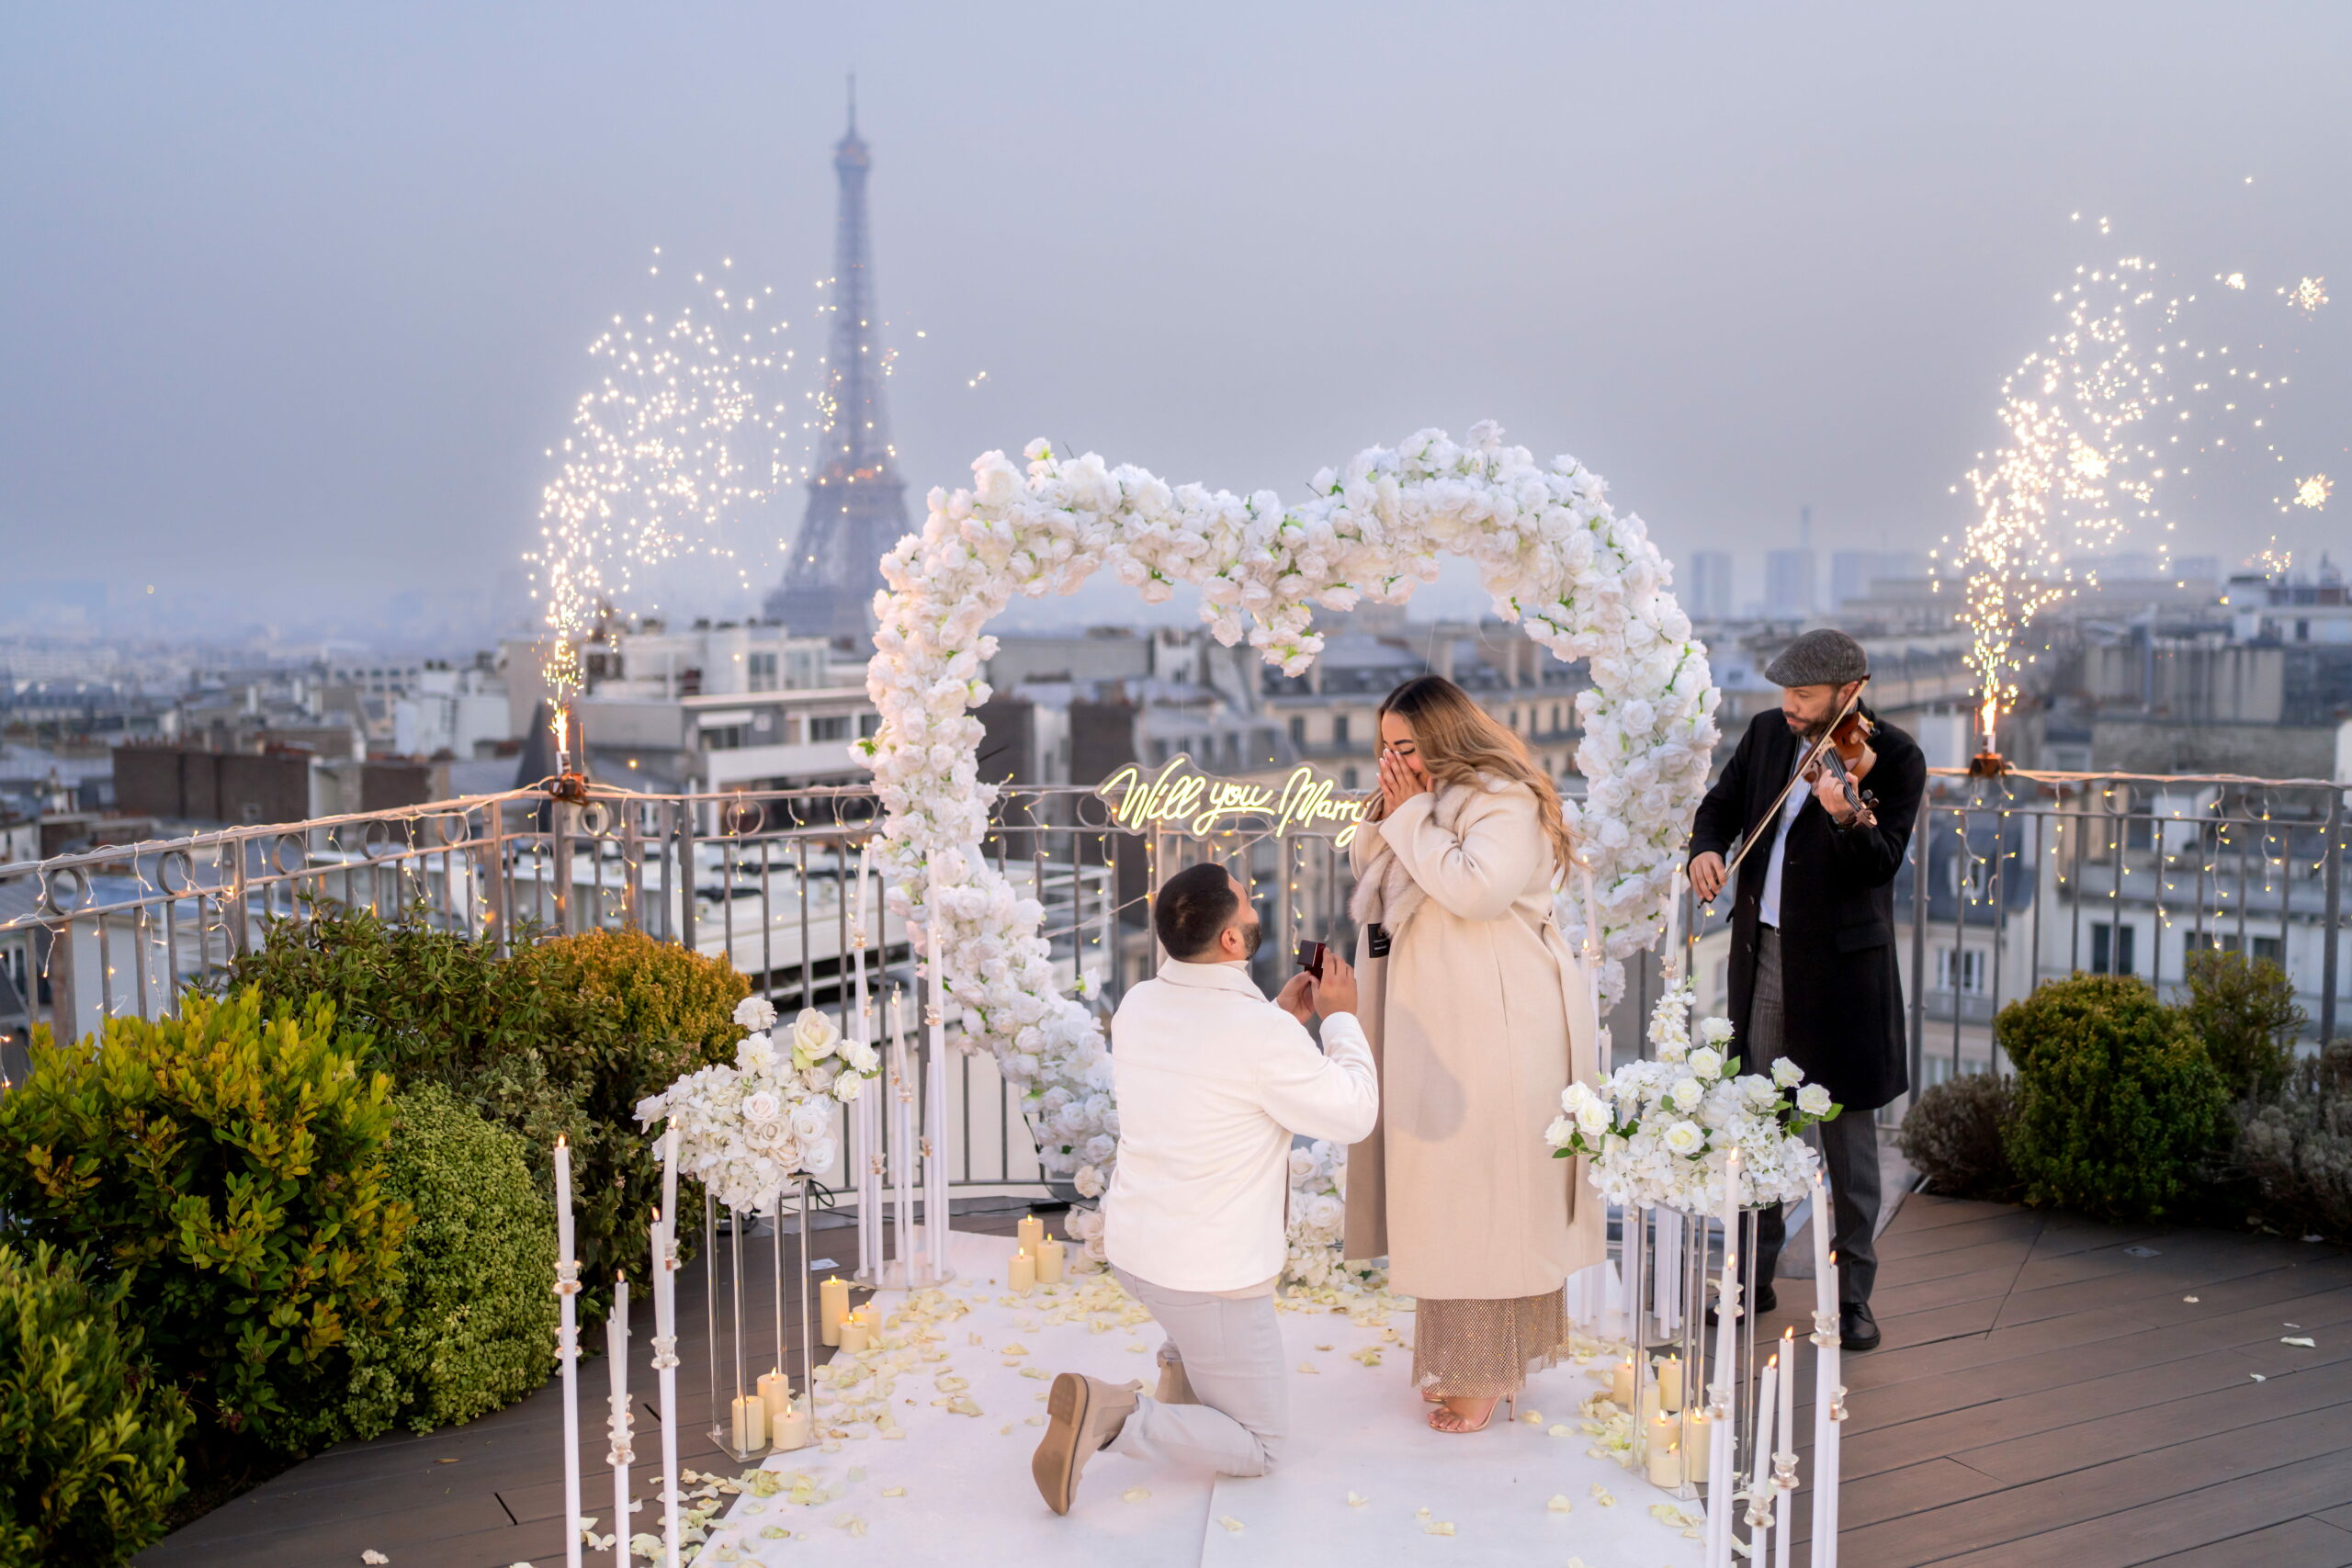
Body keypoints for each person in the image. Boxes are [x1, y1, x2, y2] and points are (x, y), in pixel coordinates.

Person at [1031, 861, 1376, 1516]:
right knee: (1263, 1444)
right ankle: (1113, 1416)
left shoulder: (1139, 1003)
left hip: (1137, 1251)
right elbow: (1355, 1111)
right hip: (1209, 1275)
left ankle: (1185, 1373)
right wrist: (1338, 1020)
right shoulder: (1259, 1036)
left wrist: (1281, 1016)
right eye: (1248, 905)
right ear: (1232, 944)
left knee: (1198, 1324)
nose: (1255, 909)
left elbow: (1212, 1068)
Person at [1339, 674, 1604, 1434]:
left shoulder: (1502, 799)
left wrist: (1412, 812)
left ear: (1446, 738)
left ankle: (1487, 1370)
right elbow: (1374, 860)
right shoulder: (1421, 801)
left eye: (1407, 747)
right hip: (1442, 1022)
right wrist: (1398, 810)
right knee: (1448, 1197)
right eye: (1385, 747)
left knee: (1486, 1198)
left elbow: (1475, 888)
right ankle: (1472, 1360)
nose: (1393, 762)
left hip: (1500, 1025)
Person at [1686, 627, 1926, 1353]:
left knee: (1848, 1148)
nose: (1789, 706)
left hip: (1844, 974)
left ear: (1849, 692)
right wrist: (1705, 847)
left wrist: (1845, 810)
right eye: (1786, 692)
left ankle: (1854, 1297)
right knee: (1760, 1126)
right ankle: (1749, 1278)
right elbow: (1721, 806)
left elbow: (1881, 862)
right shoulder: (1765, 736)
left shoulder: (1897, 758)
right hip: (1766, 958)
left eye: (1804, 695)